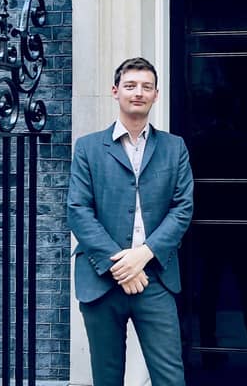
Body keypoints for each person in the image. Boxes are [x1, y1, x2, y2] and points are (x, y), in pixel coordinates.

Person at [67, 57, 194, 386]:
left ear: (156, 95)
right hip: (101, 280)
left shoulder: (174, 147)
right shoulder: (88, 148)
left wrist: (143, 254)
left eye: (146, 87)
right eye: (131, 85)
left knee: (170, 377)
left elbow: (182, 208)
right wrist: (119, 264)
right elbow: (78, 209)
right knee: (106, 378)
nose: (138, 92)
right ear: (115, 91)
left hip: (156, 278)